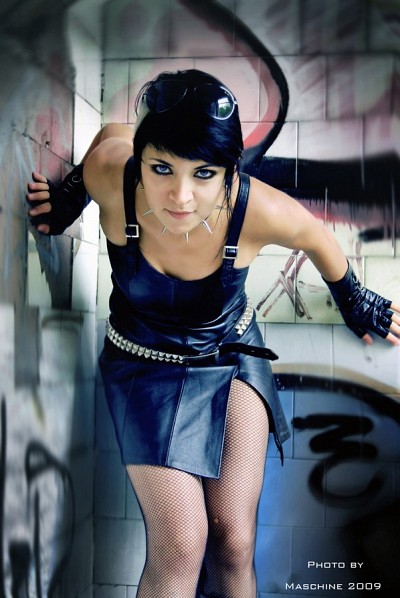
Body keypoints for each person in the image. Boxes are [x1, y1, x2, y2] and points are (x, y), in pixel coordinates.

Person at [26, 69, 400, 598]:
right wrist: (69, 197)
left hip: (230, 354)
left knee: (232, 541)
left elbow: (317, 237)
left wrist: (355, 301)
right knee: (180, 546)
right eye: (161, 167)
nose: (180, 196)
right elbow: (111, 133)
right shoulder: (111, 175)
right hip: (142, 365)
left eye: (204, 174)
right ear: (141, 158)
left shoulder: (255, 208)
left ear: (230, 170)